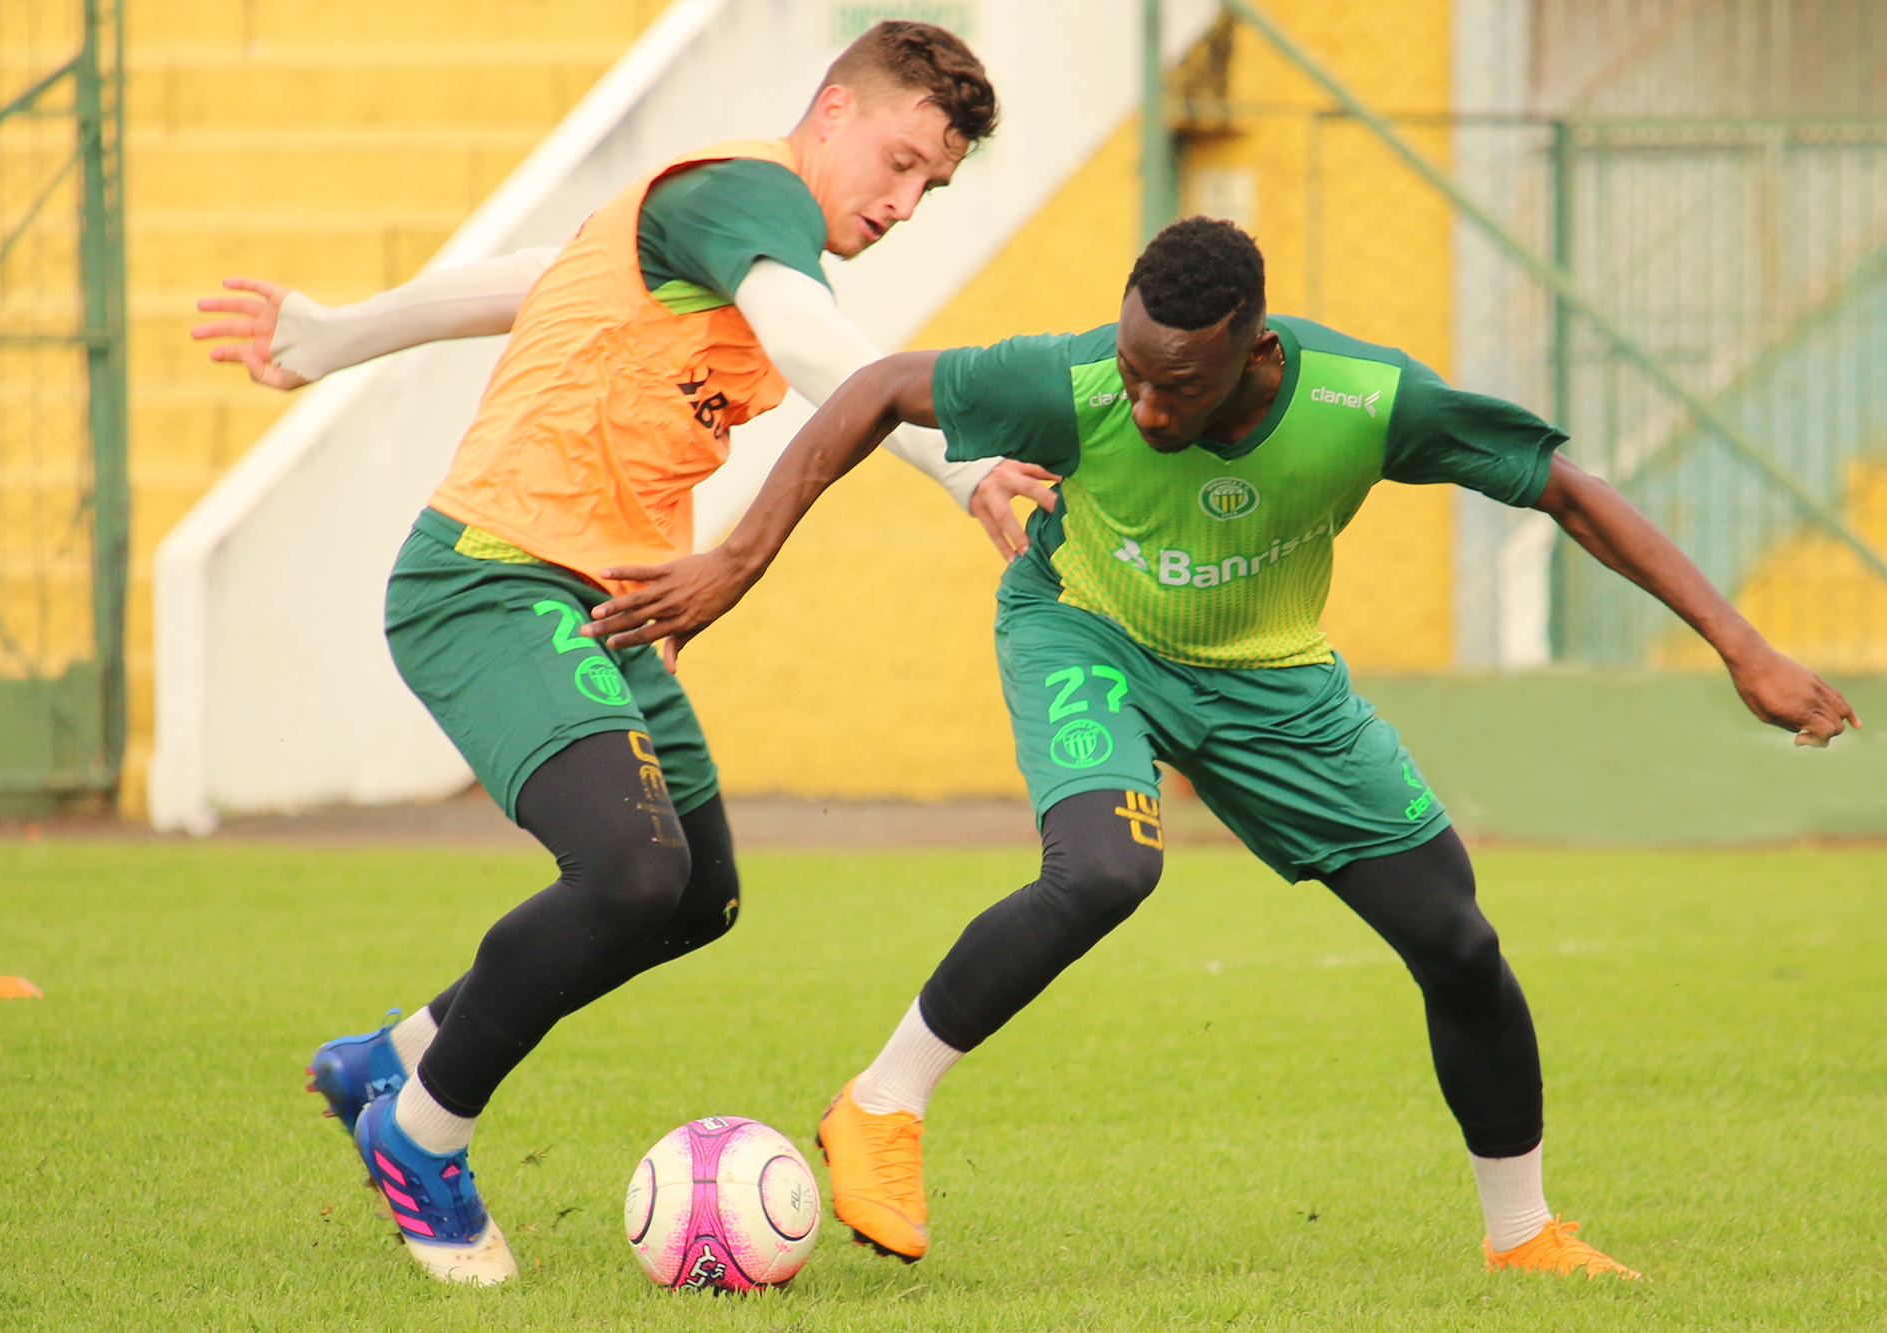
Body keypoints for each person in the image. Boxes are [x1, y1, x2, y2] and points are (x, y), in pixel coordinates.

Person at [580, 217, 1861, 1280]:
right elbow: (874, 390)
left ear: (1256, 350)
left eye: (1176, 385)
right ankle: (879, 1104)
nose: (1141, 406)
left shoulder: (1367, 401)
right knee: (1105, 867)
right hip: (1083, 628)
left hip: (1273, 686)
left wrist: (1739, 646)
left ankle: (1521, 1232)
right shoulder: (1074, 382)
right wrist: (736, 560)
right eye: (1131, 370)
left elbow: (1565, 489)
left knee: (1456, 941)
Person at [192, 22, 1044, 1286]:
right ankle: (421, 1133)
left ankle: (396, 1055)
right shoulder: (746, 192)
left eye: (933, 185)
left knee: (695, 895)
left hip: (613, 604)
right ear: (831, 110)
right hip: (490, 576)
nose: (905, 203)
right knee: (630, 870)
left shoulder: (720, 238)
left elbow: (544, 273)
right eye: (900, 161)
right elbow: (828, 358)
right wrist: (964, 463)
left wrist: (335, 335)